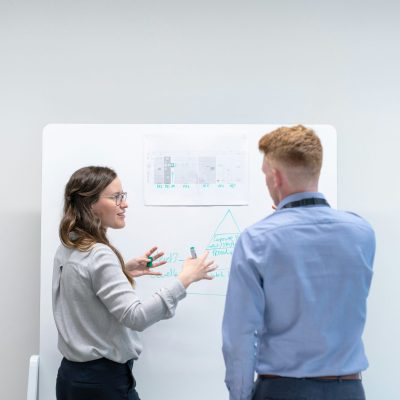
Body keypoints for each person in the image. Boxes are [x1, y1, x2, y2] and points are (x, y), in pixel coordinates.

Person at [222, 125, 375, 400]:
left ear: (276, 177)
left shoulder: (257, 240)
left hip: (283, 390)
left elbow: (241, 336)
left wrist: (240, 396)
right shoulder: (362, 233)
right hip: (349, 390)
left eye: (265, 175)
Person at [53, 166, 216, 400]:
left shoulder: (70, 246)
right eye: (115, 197)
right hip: (103, 383)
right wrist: (185, 279)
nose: (124, 204)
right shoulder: (99, 254)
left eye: (123, 196)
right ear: (90, 205)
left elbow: (82, 287)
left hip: (72, 378)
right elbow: (136, 317)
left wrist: (122, 271)